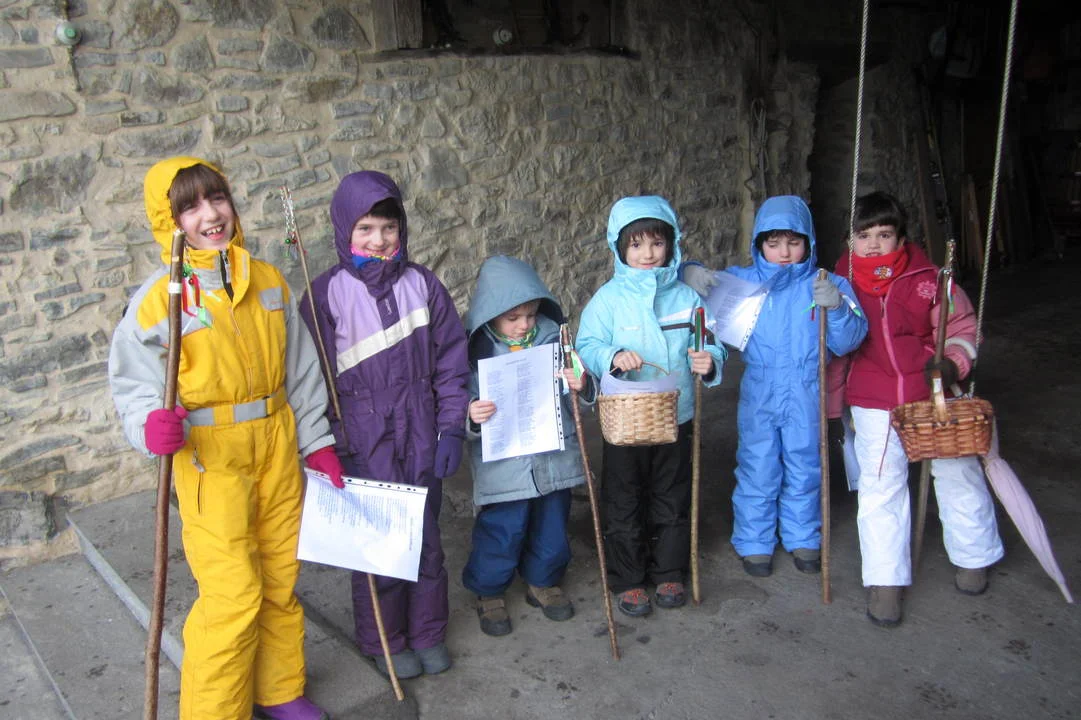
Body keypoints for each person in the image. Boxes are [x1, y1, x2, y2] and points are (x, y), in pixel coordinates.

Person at [109, 157, 342, 720]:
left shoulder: (268, 280)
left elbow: (300, 369)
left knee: (280, 575)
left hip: (276, 443)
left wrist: (317, 442)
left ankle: (278, 688)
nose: (210, 215)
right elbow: (136, 385)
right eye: (189, 207)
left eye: (217, 199)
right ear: (168, 222)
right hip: (209, 457)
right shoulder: (160, 300)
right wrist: (150, 425)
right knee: (232, 592)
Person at [300, 171, 470, 677]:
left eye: (389, 227)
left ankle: (427, 632)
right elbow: (311, 378)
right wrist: (329, 441)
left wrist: (451, 427)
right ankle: (384, 640)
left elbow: (451, 361)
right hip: (362, 437)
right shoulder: (325, 295)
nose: (379, 240)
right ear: (344, 231)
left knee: (426, 537)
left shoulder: (423, 285)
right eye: (366, 229)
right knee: (378, 544)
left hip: (421, 429)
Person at [828, 190, 1004, 627]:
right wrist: (831, 403)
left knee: (958, 469)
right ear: (850, 240)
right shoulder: (840, 283)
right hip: (873, 394)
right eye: (863, 235)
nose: (873, 245)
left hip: (932, 388)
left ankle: (974, 554)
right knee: (880, 483)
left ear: (901, 237)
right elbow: (834, 349)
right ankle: (885, 579)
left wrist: (952, 362)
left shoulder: (930, 279)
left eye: (883, 234)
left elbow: (962, 326)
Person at [681, 196, 868, 577]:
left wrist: (836, 308)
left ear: (808, 242)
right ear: (759, 244)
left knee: (806, 463)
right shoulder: (746, 281)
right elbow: (689, 282)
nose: (784, 253)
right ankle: (754, 539)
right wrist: (691, 272)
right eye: (773, 243)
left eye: (794, 243)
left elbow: (849, 340)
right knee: (758, 463)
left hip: (806, 387)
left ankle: (803, 535)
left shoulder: (827, 283)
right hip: (760, 387)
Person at [576, 195, 727, 617]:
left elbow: (709, 340)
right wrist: (611, 356)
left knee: (672, 496)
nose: (648, 254)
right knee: (624, 499)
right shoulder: (608, 300)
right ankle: (628, 578)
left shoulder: (688, 299)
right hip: (625, 422)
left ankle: (669, 571)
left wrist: (710, 360)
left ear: (671, 244)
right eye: (636, 244)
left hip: (676, 417)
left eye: (657, 243)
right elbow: (586, 345)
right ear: (619, 247)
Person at [460, 255, 596, 636]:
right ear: (490, 316)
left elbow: (582, 384)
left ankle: (544, 580)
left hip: (554, 457)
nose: (524, 325)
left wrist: (581, 382)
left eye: (531, 315)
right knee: (502, 529)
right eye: (513, 318)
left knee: (552, 524)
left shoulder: (556, 340)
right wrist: (471, 413)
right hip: (505, 466)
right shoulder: (475, 353)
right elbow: (457, 402)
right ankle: (489, 590)